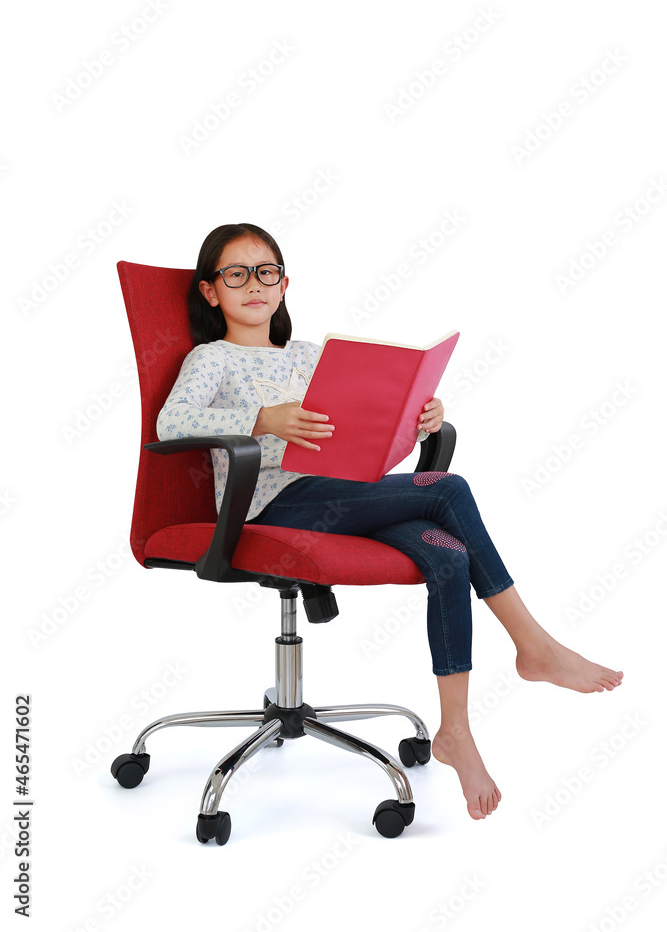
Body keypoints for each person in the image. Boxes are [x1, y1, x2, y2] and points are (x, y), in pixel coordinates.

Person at [157, 222, 624, 822]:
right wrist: (263, 418)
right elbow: (171, 425)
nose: (254, 284)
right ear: (210, 292)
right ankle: (534, 647)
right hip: (273, 505)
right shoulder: (212, 357)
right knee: (448, 488)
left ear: (284, 285)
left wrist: (416, 422)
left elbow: (363, 442)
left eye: (266, 272)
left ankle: (455, 731)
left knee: (447, 553)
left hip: (350, 494)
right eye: (236, 274)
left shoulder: (310, 356)